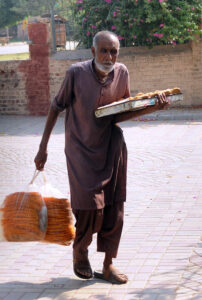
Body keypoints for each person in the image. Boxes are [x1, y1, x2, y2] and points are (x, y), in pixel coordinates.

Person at [34, 31, 169, 284]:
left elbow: (121, 112)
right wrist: (43, 148)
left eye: (114, 51)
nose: (109, 56)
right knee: (88, 207)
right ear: (92, 51)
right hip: (80, 150)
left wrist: (153, 106)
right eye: (104, 50)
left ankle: (108, 265)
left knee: (114, 207)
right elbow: (56, 106)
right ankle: (80, 250)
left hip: (112, 147)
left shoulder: (122, 73)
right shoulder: (76, 73)